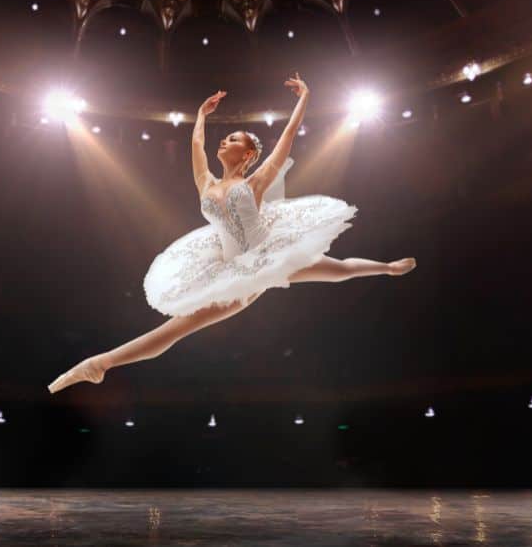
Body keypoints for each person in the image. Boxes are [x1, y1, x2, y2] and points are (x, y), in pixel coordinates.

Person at [48, 73, 416, 393]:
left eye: (233, 139)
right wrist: (200, 116)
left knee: (338, 271)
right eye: (223, 139)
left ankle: (388, 268)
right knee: (175, 329)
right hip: (226, 266)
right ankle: (100, 364)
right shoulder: (206, 183)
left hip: (265, 255)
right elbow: (196, 146)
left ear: (249, 153)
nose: (223, 142)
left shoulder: (256, 182)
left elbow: (287, 137)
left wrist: (305, 97)